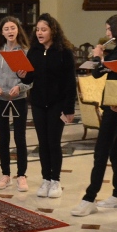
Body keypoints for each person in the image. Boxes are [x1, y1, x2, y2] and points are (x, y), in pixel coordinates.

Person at [71, 14, 117, 217]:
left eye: (109, 29)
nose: (107, 33)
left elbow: (104, 71)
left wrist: (99, 57)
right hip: (112, 102)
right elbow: (97, 73)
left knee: (101, 151)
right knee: (115, 149)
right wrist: (99, 58)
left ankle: (89, 198)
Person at [18, 13, 77, 199]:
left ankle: (55, 180)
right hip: (37, 103)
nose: (39, 33)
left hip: (56, 104)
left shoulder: (64, 52)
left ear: (53, 31)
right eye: (37, 30)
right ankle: (45, 179)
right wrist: (22, 75)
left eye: (43, 29)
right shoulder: (33, 51)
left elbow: (70, 82)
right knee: (42, 143)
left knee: (53, 142)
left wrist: (69, 109)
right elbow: (29, 78)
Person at [0, 16, 32, 192]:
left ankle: (21, 175)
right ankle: (5, 174)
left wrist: (20, 87)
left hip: (18, 99)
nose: (10, 31)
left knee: (20, 137)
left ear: (18, 30)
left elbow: (30, 79)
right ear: (2, 32)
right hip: (0, 99)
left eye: (13, 28)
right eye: (6, 29)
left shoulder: (26, 51)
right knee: (3, 138)